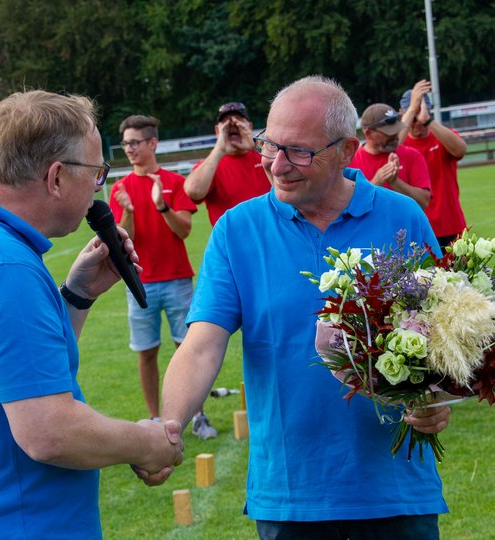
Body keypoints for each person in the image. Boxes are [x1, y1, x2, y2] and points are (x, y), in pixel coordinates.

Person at [161, 76, 451, 540]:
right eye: (269, 146)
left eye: (299, 151)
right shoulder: (238, 230)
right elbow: (201, 346)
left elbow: (440, 336)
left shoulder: (402, 219)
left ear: (347, 150)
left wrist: (437, 400)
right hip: (291, 499)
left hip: (397, 491)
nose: (277, 165)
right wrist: (169, 427)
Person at [0, 90, 183, 539]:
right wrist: (147, 442)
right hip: (21, 522)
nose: (99, 186)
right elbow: (48, 431)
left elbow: (7, 369)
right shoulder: (4, 263)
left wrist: (76, 295)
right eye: (97, 172)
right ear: (56, 176)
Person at [109, 114, 217, 440]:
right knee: (147, 352)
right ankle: (156, 420)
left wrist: (161, 207)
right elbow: (121, 240)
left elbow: (184, 230)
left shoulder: (174, 181)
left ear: (152, 143)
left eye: (134, 142)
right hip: (139, 283)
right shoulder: (120, 187)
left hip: (178, 279)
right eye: (125, 143)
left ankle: (198, 417)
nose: (128, 149)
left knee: (188, 349)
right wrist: (127, 211)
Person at [399, 79, 468, 247]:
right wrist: (412, 109)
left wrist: (429, 121)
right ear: (402, 113)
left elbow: (460, 150)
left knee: (460, 274)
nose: (418, 122)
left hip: (451, 225)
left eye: (421, 115)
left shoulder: (441, 136)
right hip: (417, 228)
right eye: (412, 116)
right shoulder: (400, 143)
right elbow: (390, 150)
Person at [183, 102, 270, 226]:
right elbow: (193, 191)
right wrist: (219, 149)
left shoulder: (264, 156)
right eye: (226, 123)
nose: (233, 126)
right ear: (217, 130)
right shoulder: (211, 165)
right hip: (232, 242)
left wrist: (255, 146)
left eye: (239, 121)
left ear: (249, 126)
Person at [350, 103, 431, 209]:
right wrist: (376, 183)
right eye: (388, 132)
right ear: (369, 133)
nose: (395, 135)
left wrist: (395, 182)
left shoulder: (412, 155)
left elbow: (423, 203)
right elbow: (350, 208)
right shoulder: (350, 162)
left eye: (396, 129)